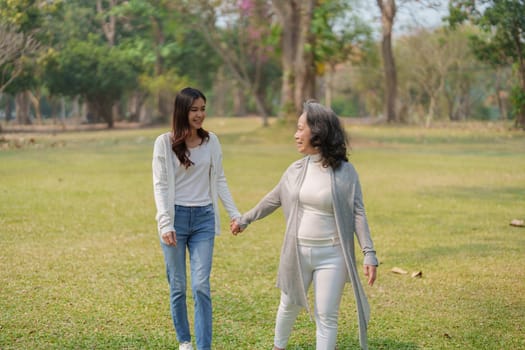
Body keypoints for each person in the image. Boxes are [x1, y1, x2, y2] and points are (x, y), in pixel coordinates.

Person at [231, 100, 378, 350]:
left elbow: (358, 213)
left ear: (318, 132)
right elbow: (274, 198)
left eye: (301, 128)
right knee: (288, 305)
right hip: (297, 253)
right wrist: (245, 219)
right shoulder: (296, 169)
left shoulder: (346, 172)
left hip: (333, 255)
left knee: (326, 316)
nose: (296, 135)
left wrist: (369, 253)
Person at [153, 87, 241, 350]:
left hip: (204, 218)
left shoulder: (212, 141)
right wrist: (165, 222)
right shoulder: (164, 143)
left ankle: (204, 347)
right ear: (182, 111)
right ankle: (185, 341)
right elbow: (160, 185)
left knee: (201, 285)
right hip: (175, 219)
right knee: (178, 286)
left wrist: (234, 213)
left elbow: (220, 179)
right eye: (194, 110)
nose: (200, 114)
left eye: (203, 109)